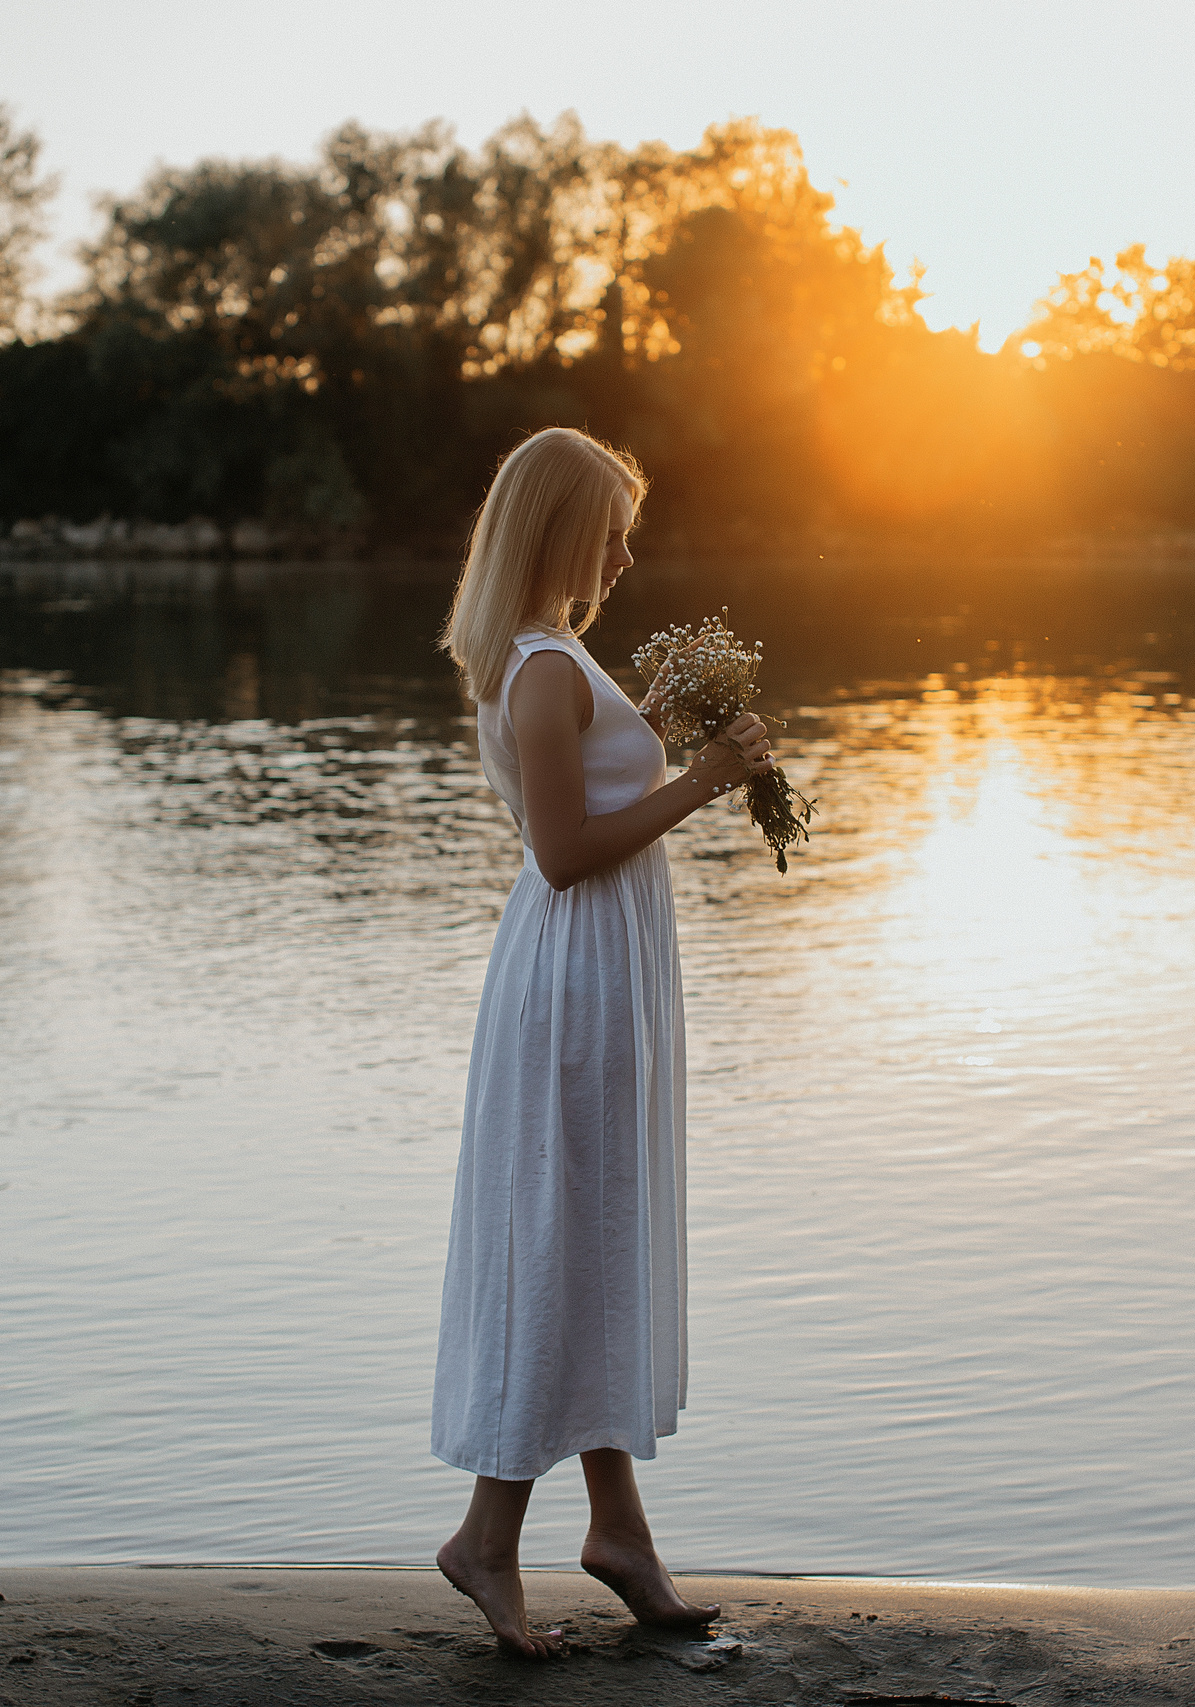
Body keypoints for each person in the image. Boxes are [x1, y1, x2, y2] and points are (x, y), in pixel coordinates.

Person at [430, 427, 773, 1658]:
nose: (629, 551)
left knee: (597, 1231)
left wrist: (676, 737)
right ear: (564, 529)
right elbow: (565, 855)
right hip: (571, 985)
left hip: (605, 976)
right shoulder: (536, 667)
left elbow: (597, 804)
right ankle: (487, 1537)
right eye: (614, 527)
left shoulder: (564, 658)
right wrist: (711, 778)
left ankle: (617, 1529)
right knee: (565, 1234)